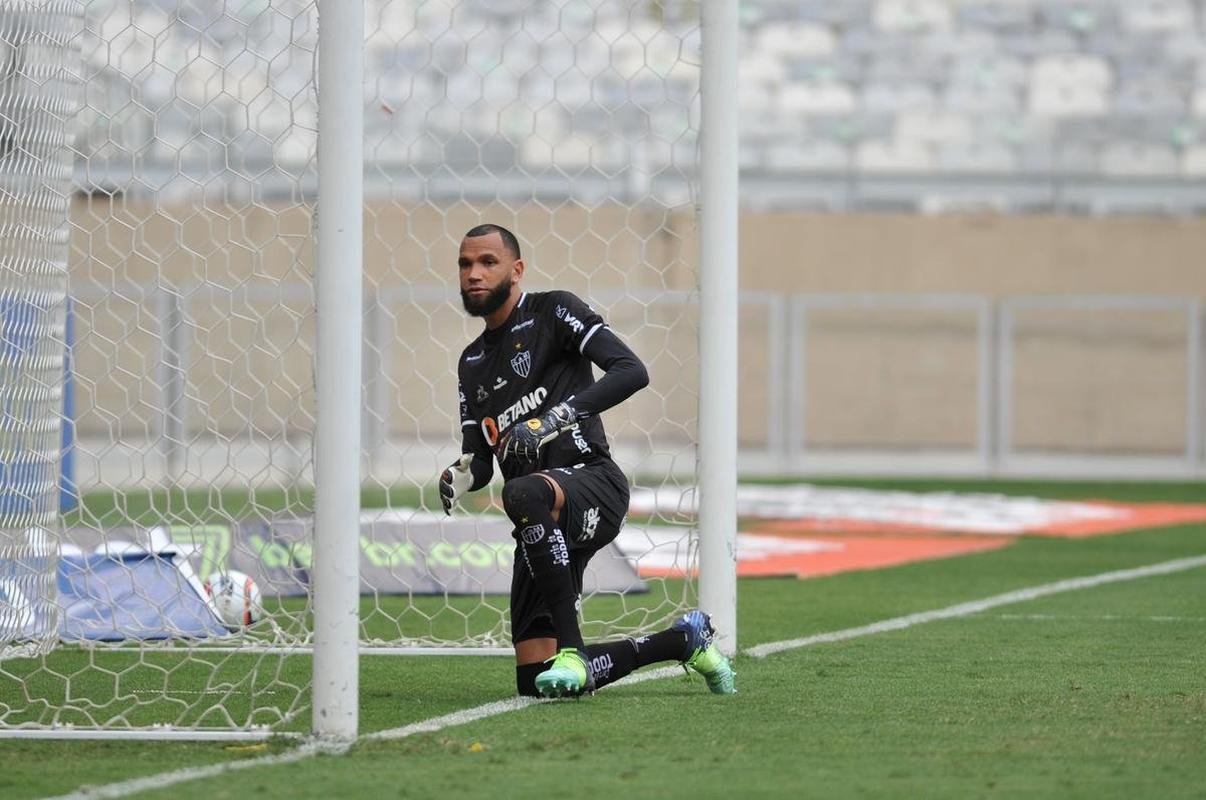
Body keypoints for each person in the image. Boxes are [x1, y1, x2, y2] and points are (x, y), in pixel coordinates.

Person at [438, 223, 736, 699]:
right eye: (465, 263)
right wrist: (460, 473)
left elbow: (631, 370)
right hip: (537, 517)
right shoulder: (471, 363)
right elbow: (481, 461)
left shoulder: (554, 310)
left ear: (516, 271)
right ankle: (682, 641)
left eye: (487, 262)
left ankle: (574, 651)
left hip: (591, 480)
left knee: (524, 490)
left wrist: (551, 420)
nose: (474, 273)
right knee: (535, 682)